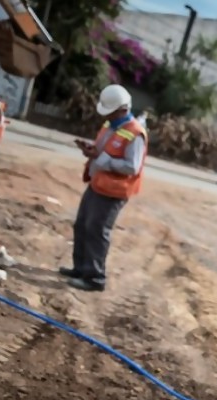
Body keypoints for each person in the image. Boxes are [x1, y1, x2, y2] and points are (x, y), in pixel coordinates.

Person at [59, 84, 147, 292]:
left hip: (114, 190)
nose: (108, 116)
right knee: (82, 225)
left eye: (112, 112)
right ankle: (80, 268)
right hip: (98, 183)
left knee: (97, 230)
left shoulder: (135, 133)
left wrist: (104, 160)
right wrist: (92, 151)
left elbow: (132, 167)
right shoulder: (110, 125)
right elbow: (103, 149)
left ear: (123, 109)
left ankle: (95, 277)